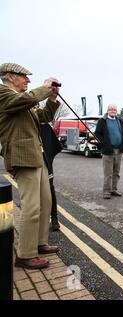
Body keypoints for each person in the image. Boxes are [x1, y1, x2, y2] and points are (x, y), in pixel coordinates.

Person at [0, 62, 61, 269]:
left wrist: (52, 97)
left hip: (36, 155)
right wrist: (44, 88)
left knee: (45, 202)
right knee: (31, 206)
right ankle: (25, 254)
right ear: (9, 77)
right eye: (24, 77)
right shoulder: (4, 94)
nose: (28, 80)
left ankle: (39, 242)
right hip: (21, 156)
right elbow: (27, 99)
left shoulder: (22, 100)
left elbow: (43, 117)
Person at [94, 104, 123, 199]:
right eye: (111, 109)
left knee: (116, 172)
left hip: (119, 151)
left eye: (114, 109)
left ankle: (114, 189)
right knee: (108, 173)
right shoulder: (102, 121)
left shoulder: (119, 121)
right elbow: (97, 134)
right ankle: (106, 191)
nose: (113, 111)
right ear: (107, 110)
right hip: (108, 151)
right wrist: (104, 143)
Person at [40, 122, 63, 231]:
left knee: (50, 190)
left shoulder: (44, 126)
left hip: (45, 163)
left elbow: (54, 146)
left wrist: (48, 159)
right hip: (29, 163)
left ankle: (54, 218)